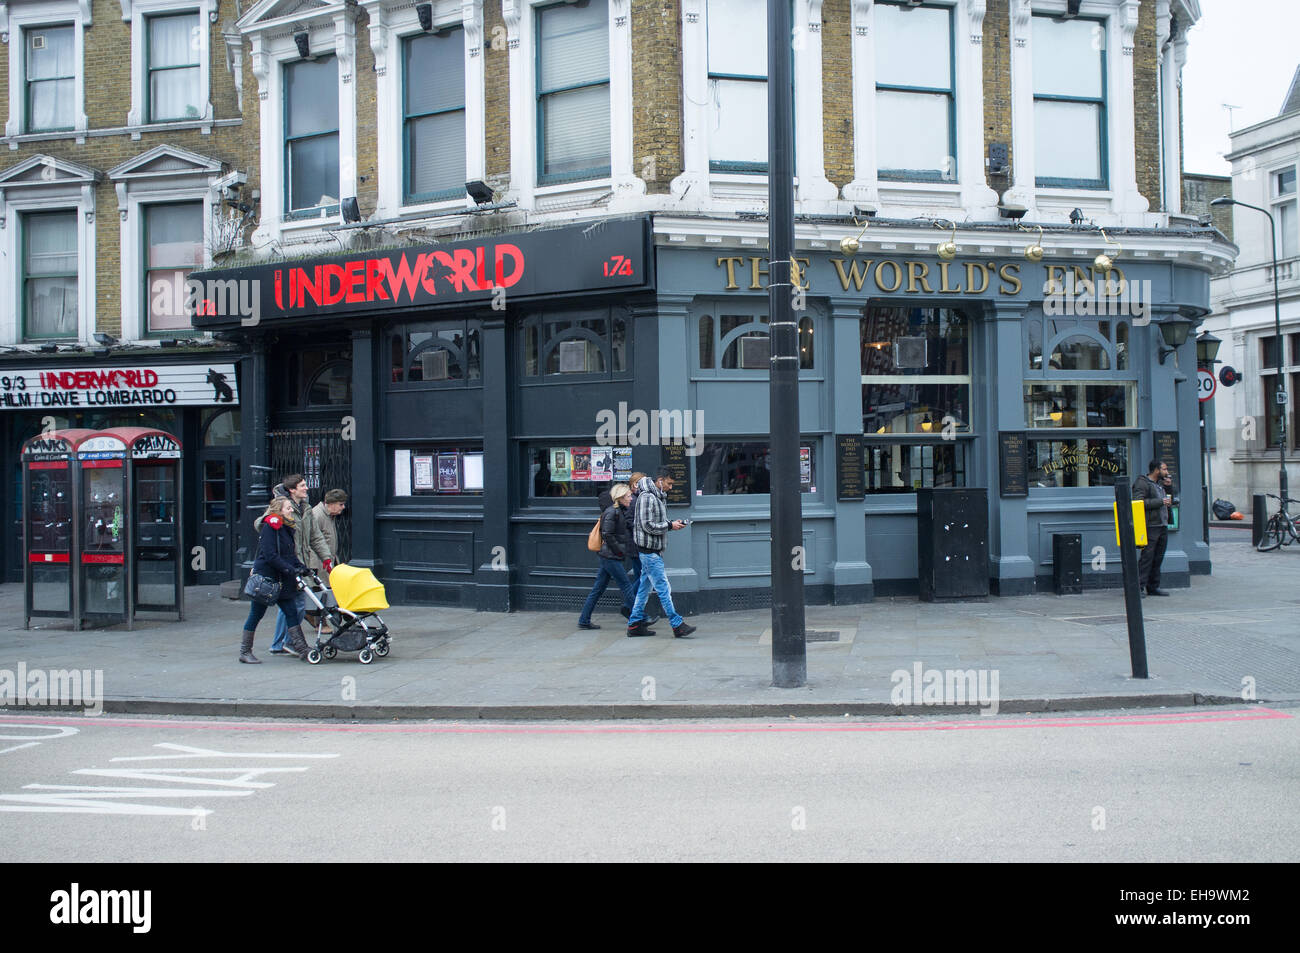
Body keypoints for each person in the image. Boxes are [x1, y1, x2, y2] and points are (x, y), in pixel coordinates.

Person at [263, 474, 333, 655]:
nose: (306, 488)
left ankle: (281, 643)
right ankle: (287, 642)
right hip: (286, 563)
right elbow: (260, 522)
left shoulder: (306, 508)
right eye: (302, 485)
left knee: (292, 604)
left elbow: (315, 536)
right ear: (292, 489)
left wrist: (326, 558)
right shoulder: (283, 505)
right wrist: (270, 520)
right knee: (295, 604)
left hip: (299, 562)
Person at [239, 498, 311, 663]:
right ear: (278, 510)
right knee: (256, 614)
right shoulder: (270, 528)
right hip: (267, 580)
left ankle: (302, 649)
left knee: (291, 612)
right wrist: (290, 569)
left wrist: (301, 567)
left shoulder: (285, 528)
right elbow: (270, 556)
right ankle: (245, 651)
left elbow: (289, 555)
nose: (291, 510)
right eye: (287, 508)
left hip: (282, 580)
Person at [627, 469, 697, 639]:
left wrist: (671, 524)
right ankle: (677, 624)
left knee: (644, 588)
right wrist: (670, 526)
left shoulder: (655, 496)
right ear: (660, 480)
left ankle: (634, 624)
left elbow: (654, 523)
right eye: (669, 483)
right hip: (649, 552)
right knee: (664, 589)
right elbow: (647, 526)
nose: (671, 487)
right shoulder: (647, 497)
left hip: (651, 551)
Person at [577, 484, 653, 633]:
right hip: (610, 557)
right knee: (626, 587)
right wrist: (618, 552)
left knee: (598, 589)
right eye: (628, 496)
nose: (631, 498)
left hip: (608, 556)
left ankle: (584, 619)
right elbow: (607, 534)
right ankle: (641, 618)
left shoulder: (619, 511)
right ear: (620, 497)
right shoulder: (613, 512)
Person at [306, 489, 347, 627]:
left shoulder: (329, 515)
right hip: (318, 562)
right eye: (340, 504)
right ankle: (320, 621)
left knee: (327, 591)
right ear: (331, 503)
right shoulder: (317, 515)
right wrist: (313, 565)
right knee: (322, 592)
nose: (343, 507)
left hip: (328, 559)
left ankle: (315, 617)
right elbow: (310, 541)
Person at [1133, 459, 1172, 596]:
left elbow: (1170, 499)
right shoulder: (1142, 482)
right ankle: (1138, 586)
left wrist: (1168, 488)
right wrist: (1160, 502)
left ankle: (1153, 586)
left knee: (1158, 557)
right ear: (1156, 470)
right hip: (1151, 525)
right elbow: (1138, 502)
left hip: (1162, 524)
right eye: (1164, 469)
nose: (1167, 472)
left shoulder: (1160, 484)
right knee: (1147, 557)